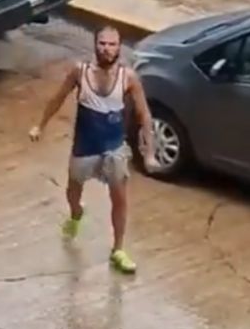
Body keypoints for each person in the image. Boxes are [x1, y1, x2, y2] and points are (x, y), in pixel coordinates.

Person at [28, 26, 157, 274]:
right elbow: (57, 99)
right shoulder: (80, 72)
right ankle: (76, 214)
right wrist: (40, 125)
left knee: (119, 199)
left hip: (114, 147)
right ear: (95, 45)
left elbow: (144, 115)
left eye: (112, 44)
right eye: (102, 43)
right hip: (85, 147)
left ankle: (118, 248)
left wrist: (149, 151)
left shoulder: (128, 78)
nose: (106, 49)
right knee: (73, 191)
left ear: (119, 47)